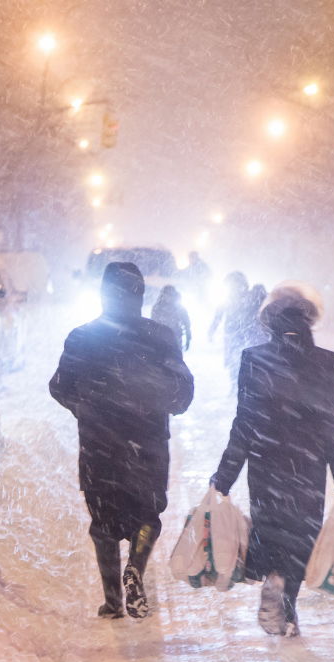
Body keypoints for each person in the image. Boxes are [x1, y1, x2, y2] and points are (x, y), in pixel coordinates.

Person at [211, 282, 334, 637]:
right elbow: (331, 421)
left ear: (269, 322)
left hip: (266, 460)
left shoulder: (254, 358)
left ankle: (273, 578)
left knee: (270, 529)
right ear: (309, 321)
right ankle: (289, 609)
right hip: (308, 464)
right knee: (301, 536)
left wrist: (226, 474)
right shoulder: (326, 361)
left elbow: (244, 421)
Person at [50, 262, 195, 619]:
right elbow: (183, 389)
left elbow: (59, 386)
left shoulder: (82, 336)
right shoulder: (161, 336)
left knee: (103, 521)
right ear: (140, 295)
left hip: (99, 442)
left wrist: (84, 408)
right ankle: (136, 569)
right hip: (147, 443)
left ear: (103, 294)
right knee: (148, 513)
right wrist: (166, 405)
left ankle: (113, 600)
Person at [208, 271, 256, 389]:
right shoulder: (247, 298)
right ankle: (239, 384)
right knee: (242, 360)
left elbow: (218, 317)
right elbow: (218, 316)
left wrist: (212, 330)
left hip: (235, 333)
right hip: (243, 333)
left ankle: (236, 384)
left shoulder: (230, 299)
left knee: (236, 361)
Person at [150, 284, 192, 351]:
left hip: (176, 338)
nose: (167, 297)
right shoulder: (157, 307)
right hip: (161, 339)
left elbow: (186, 323)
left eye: (169, 295)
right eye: (166, 295)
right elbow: (153, 324)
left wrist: (188, 337)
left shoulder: (179, 308)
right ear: (162, 295)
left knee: (176, 358)